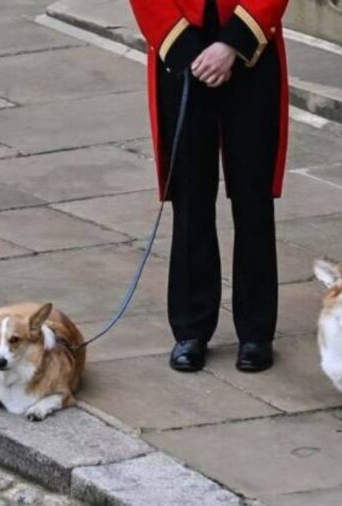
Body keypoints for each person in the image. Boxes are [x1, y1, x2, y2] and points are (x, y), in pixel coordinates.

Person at [129, 0, 289, 373]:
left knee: (254, 199)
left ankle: (256, 331)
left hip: (252, 52)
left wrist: (232, 44)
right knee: (190, 198)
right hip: (181, 52)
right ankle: (191, 328)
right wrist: (183, 47)